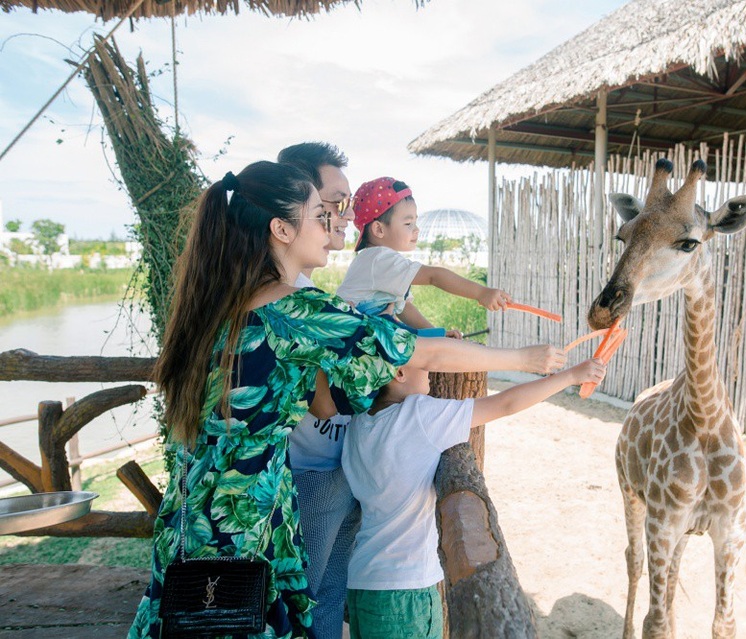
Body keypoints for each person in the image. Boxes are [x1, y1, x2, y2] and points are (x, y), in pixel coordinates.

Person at [128, 160, 565, 639]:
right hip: (244, 517)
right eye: (320, 215)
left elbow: (320, 405)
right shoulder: (293, 305)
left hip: (192, 506)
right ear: (281, 229)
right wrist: (523, 358)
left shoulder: (224, 299)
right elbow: (423, 350)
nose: (334, 225)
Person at [341, 356, 607, 639]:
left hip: (362, 581)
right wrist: (569, 376)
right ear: (399, 372)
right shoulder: (418, 414)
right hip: (406, 588)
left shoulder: (358, 424)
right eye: (424, 360)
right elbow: (505, 404)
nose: (431, 368)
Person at [277, 141, 363, 639]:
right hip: (304, 475)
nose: (343, 217)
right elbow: (326, 399)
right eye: (333, 203)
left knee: (327, 597)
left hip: (334, 467)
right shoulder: (288, 302)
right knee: (304, 603)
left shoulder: (307, 295)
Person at [336, 176, 511, 338]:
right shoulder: (378, 258)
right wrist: (481, 292)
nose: (416, 229)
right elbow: (433, 276)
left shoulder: (381, 264)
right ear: (379, 229)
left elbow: (403, 307)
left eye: (415, 222)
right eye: (408, 223)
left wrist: (435, 335)